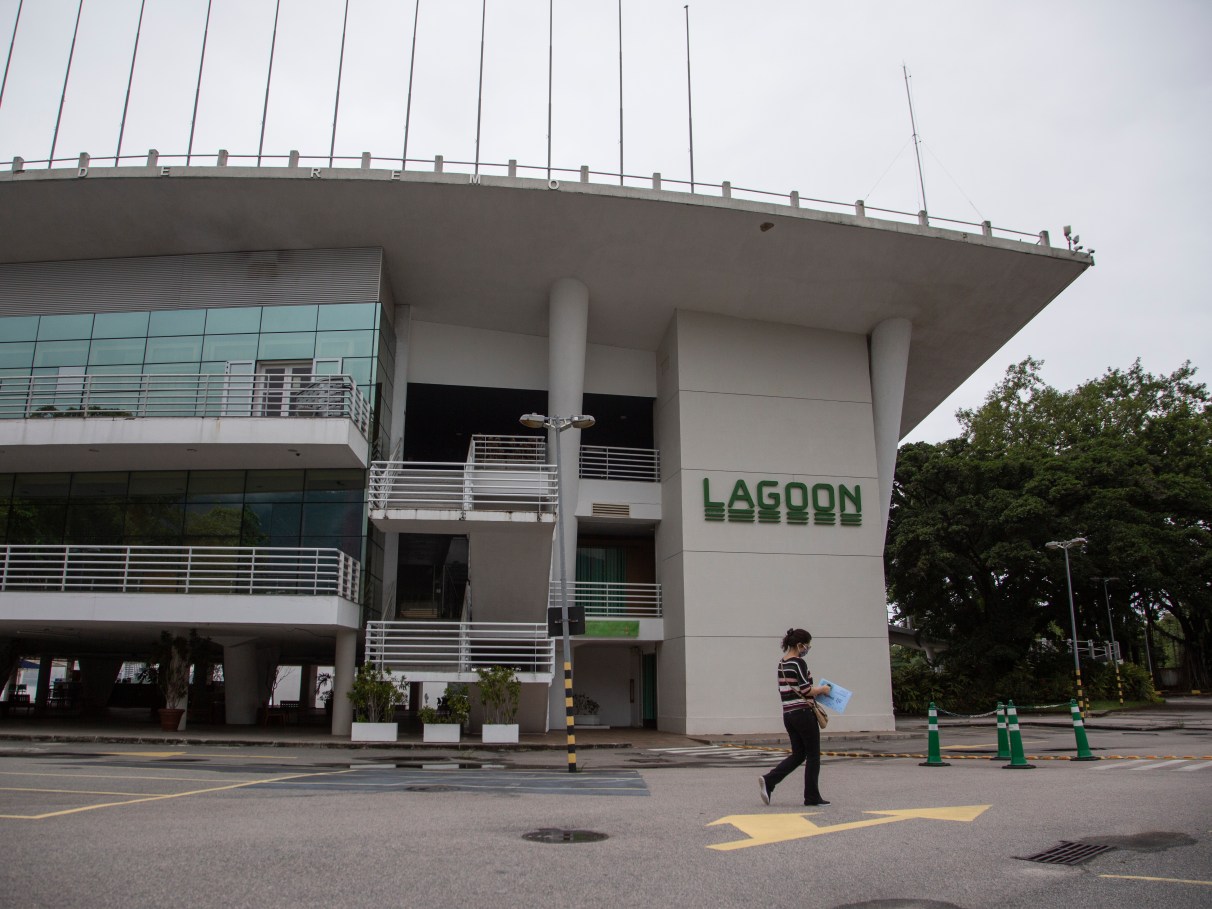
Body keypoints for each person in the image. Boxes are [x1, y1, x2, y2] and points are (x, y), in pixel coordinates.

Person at [758, 627, 832, 806]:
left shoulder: (781, 663)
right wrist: (823, 689)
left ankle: (769, 781)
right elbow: (806, 690)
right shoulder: (798, 663)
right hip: (803, 714)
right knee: (813, 755)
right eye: (807, 645)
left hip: (788, 714)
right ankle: (812, 796)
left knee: (799, 754)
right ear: (800, 645)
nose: (807, 649)